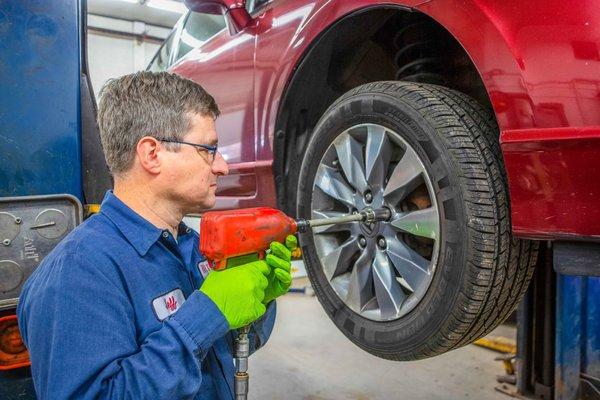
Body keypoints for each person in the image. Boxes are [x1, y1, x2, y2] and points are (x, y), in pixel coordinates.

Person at [17, 71, 294, 399]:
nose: (222, 167)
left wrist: (258, 302)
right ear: (152, 154)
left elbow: (221, 351)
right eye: (209, 149)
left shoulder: (193, 247)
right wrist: (206, 313)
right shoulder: (78, 273)